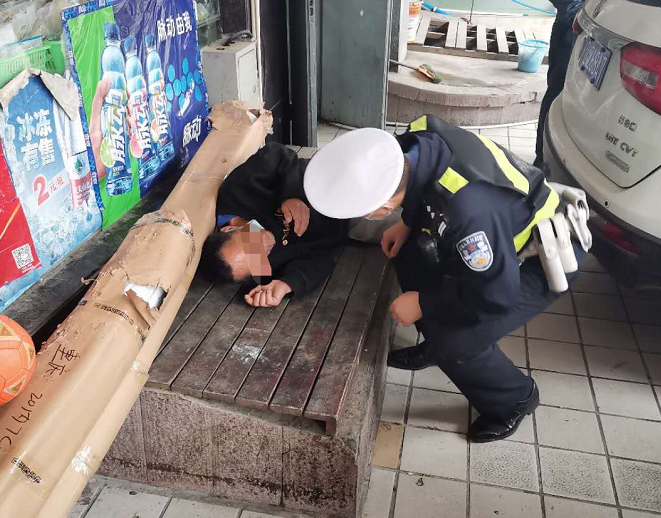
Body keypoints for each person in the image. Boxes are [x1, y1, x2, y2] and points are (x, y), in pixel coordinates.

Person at [304, 116, 586, 442]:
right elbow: (422, 186)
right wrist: (407, 222)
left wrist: (424, 302)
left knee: (456, 342)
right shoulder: (413, 141)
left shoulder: (468, 214)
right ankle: (433, 342)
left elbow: (495, 296)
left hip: (542, 257)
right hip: (499, 237)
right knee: (408, 254)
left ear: (382, 206)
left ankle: (515, 399)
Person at [199, 142, 349, 308]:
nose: (266, 249)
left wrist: (290, 196)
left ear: (230, 229)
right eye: (258, 260)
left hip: (336, 179)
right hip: (347, 224)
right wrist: (286, 285)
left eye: (252, 247)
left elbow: (277, 154)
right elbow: (322, 260)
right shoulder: (261, 271)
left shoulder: (235, 193)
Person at [534, 0, 585, 167]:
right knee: (557, 93)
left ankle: (544, 158)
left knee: (562, 93)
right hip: (573, 26)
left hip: (581, 23)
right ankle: (543, 158)